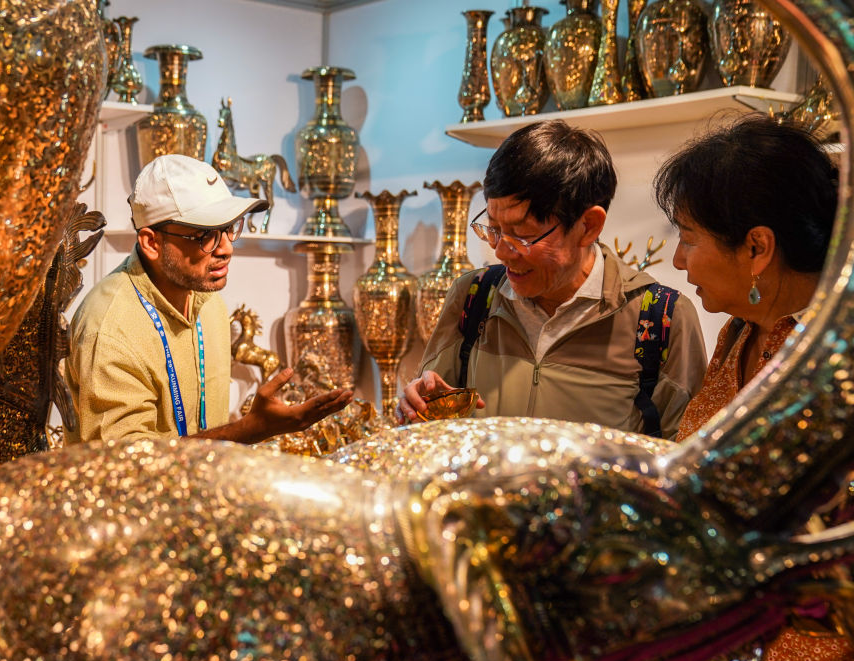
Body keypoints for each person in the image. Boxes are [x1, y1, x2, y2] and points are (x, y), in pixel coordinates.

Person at [655, 114, 845, 661]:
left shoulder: (837, 352)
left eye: (688, 238)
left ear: (757, 247)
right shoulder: (739, 333)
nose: (678, 260)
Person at [398, 120, 707, 439]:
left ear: (588, 226)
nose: (501, 252)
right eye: (495, 229)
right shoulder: (474, 297)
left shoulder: (661, 320)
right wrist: (415, 408)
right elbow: (427, 429)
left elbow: (690, 457)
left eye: (523, 235)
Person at [65, 154, 352, 444]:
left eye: (229, 229)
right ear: (152, 243)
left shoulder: (208, 302)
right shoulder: (109, 329)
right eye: (205, 235)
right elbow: (123, 461)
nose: (226, 248)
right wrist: (248, 430)